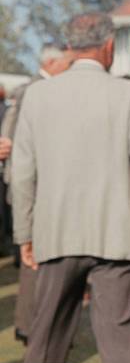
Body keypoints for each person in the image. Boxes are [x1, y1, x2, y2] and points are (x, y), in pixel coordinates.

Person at [11, 12, 130, 363]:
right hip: (119, 237)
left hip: (55, 234)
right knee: (118, 353)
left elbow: (21, 173)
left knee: (43, 343)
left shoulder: (37, 94)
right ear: (109, 46)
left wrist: (24, 234)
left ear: (70, 46)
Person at [0, 43, 73, 344]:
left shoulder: (36, 89)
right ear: (53, 63)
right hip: (36, 191)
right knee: (35, 261)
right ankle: (33, 329)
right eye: (68, 63)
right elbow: (13, 140)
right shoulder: (35, 90)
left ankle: (35, 328)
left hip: (38, 189)